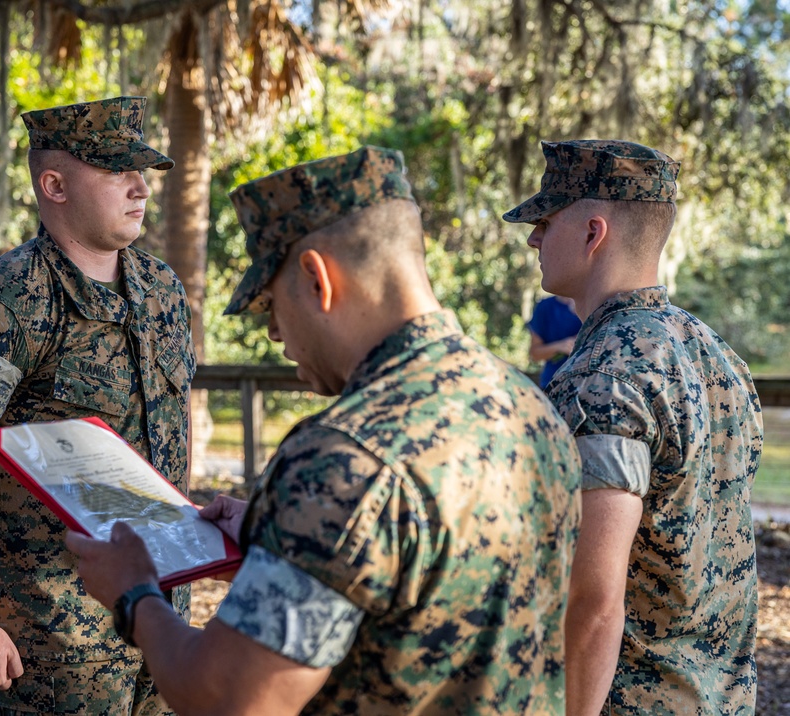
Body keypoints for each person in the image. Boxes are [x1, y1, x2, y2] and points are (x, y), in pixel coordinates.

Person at [67, 146, 583, 715]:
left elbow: (229, 699)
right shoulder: (525, 404)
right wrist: (282, 537)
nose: (273, 333)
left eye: (269, 305)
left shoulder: (344, 457)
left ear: (317, 278)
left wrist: (135, 592)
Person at [0, 96, 196, 715]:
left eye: (140, 171)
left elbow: (169, 443)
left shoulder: (162, 291)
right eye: (118, 171)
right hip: (56, 641)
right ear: (54, 184)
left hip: (159, 620)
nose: (140, 187)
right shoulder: (6, 302)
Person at [502, 139, 764, 715]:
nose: (533, 238)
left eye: (545, 221)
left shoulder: (605, 376)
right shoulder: (713, 353)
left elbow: (592, 600)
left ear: (593, 233)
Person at [527, 294, 581, 388]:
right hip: (553, 384)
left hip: (586, 385)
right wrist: (561, 346)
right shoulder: (546, 307)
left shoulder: (598, 303)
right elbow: (535, 354)